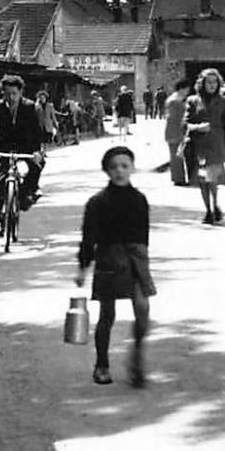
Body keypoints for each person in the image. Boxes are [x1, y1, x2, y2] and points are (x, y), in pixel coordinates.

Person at [76, 145, 154, 388]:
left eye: (124, 166)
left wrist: (143, 265)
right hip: (109, 258)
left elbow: (144, 236)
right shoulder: (97, 203)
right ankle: (102, 364)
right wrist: (83, 267)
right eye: (113, 167)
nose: (119, 171)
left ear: (132, 168)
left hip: (135, 259)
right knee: (106, 315)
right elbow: (89, 238)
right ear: (106, 171)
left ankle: (137, 359)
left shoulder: (140, 200)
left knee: (142, 309)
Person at [0, 74, 44, 238]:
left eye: (14, 94)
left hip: (27, 148)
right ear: (2, 93)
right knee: (1, 186)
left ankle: (28, 192)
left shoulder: (30, 107)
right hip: (5, 149)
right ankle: (2, 224)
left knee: (36, 167)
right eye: (7, 94)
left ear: (20, 92)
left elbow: (38, 131)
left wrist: (37, 151)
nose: (11, 98)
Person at [183, 68, 225, 224]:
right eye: (209, 82)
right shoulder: (193, 100)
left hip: (216, 144)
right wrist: (198, 127)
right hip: (198, 145)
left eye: (215, 82)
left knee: (211, 178)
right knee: (202, 180)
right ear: (202, 83)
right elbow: (185, 123)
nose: (212, 85)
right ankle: (209, 209)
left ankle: (213, 207)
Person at [162, 78, 191, 187]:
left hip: (174, 130)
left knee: (177, 155)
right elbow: (174, 119)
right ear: (182, 89)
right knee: (177, 156)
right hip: (175, 131)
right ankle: (178, 179)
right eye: (186, 89)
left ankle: (179, 177)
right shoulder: (175, 101)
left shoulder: (175, 100)